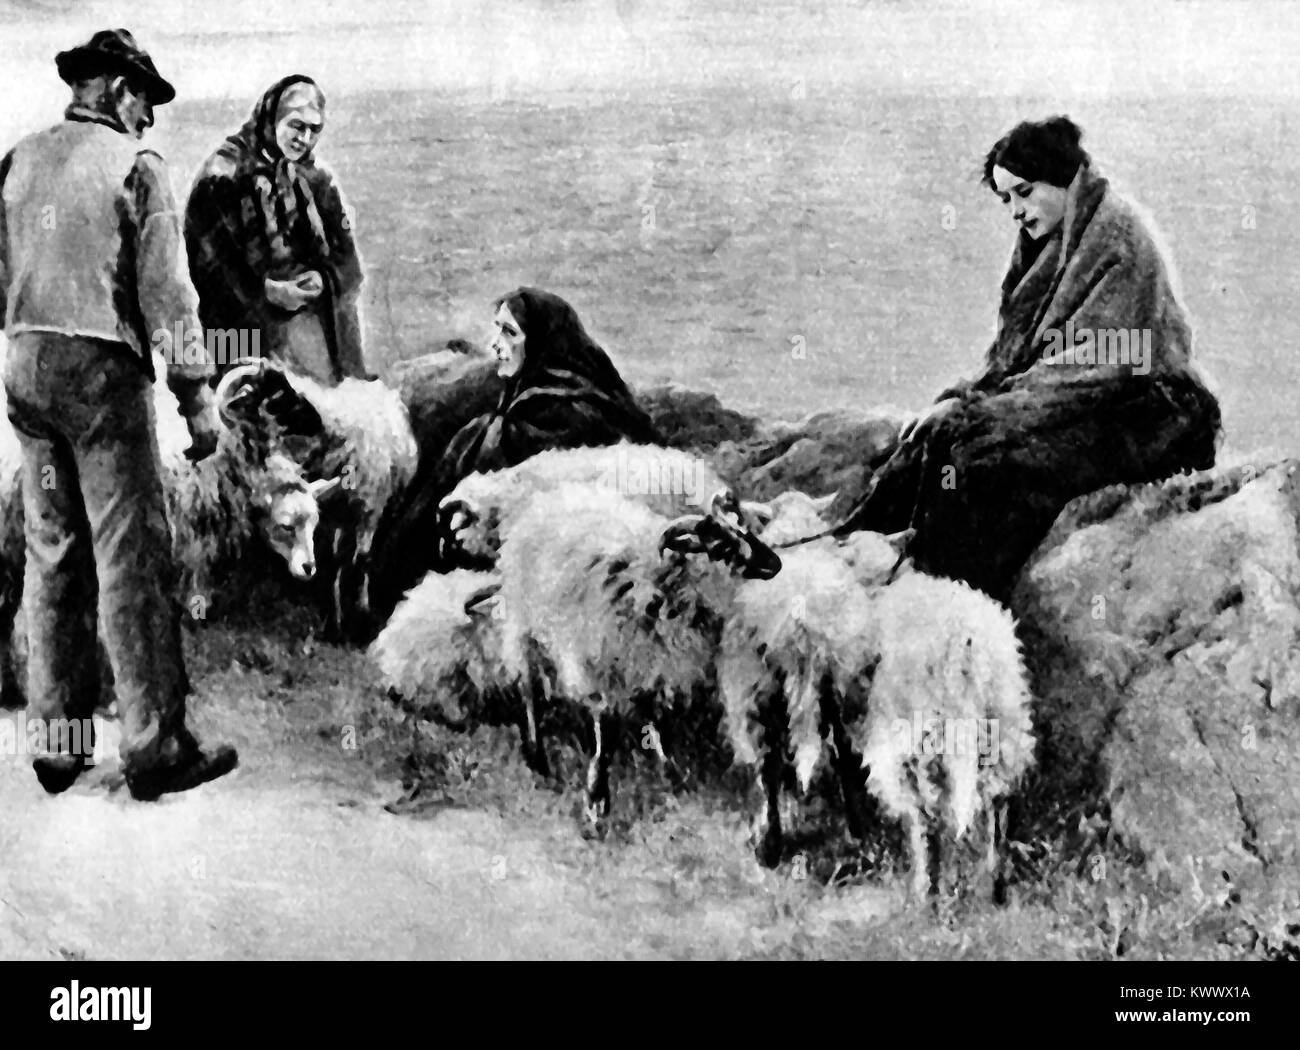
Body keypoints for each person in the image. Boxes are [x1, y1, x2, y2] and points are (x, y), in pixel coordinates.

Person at [831, 116, 1221, 601]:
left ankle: (949, 597)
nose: (1015, 210)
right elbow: (1017, 356)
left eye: (1024, 192)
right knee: (933, 438)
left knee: (986, 465)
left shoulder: (1117, 238)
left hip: (1154, 411)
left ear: (1061, 178)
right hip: (1084, 395)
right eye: (1006, 199)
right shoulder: (1048, 247)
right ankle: (852, 548)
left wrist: (985, 410)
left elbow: (1101, 364)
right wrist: (961, 399)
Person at [0, 28, 238, 798]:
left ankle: (60, 743)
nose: (151, 119)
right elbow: (168, 294)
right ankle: (153, 748)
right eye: (147, 100)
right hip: (100, 378)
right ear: (117, 91)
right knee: (130, 557)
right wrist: (198, 398)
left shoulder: (20, 158)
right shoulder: (136, 167)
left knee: (53, 551)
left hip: (26, 371)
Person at [364, 287, 662, 631]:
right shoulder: (523, 408)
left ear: (540, 342)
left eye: (509, 332)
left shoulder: (566, 416)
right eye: (497, 329)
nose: (495, 344)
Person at [184, 74, 371, 385]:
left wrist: (324, 280)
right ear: (271, 117)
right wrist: (268, 292)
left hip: (310, 340)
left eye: (315, 129)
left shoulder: (316, 179)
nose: (305, 138)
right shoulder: (221, 177)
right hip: (240, 339)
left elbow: (349, 263)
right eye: (297, 125)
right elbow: (211, 273)